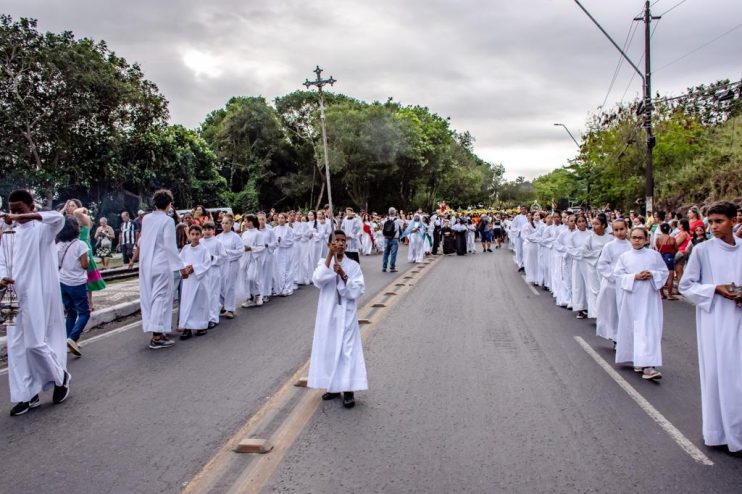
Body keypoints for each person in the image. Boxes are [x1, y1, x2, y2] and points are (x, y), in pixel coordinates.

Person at [679, 201, 742, 453]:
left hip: (739, 315)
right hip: (716, 320)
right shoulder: (703, 250)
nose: (714, 227)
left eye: (720, 221)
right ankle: (722, 433)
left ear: (733, 220)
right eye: (711, 222)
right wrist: (715, 288)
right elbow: (686, 285)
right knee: (723, 375)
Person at [1, 190, 71, 416]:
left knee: (34, 344)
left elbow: (59, 218)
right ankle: (26, 395)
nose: (14, 215)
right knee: (15, 345)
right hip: (10, 295)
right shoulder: (8, 232)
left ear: (32, 206)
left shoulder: (43, 229)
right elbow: (2, 260)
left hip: (35, 295)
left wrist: (27, 217)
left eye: (19, 210)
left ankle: (60, 377)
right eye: (11, 210)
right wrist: (2, 278)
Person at [308, 230, 367, 409]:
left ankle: (348, 389)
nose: (340, 243)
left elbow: (357, 290)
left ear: (346, 244)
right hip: (328, 312)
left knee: (346, 350)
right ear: (329, 245)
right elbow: (318, 280)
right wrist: (329, 257)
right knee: (330, 348)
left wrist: (342, 274)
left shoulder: (353, 265)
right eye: (336, 241)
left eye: (343, 241)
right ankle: (333, 386)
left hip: (346, 312)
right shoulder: (323, 263)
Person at [138, 189, 192, 349]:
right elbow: (170, 246)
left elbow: (142, 240)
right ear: (169, 204)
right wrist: (181, 267)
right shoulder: (167, 221)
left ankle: (159, 330)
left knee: (152, 297)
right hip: (162, 264)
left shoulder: (146, 218)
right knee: (160, 299)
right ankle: (156, 337)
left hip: (147, 264)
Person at [614, 226, 669, 381]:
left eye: (640, 238)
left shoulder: (654, 256)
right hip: (632, 297)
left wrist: (652, 274)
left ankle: (649, 365)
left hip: (649, 297)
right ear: (630, 238)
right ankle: (638, 360)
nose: (636, 240)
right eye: (634, 237)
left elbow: (664, 272)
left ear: (646, 239)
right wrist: (634, 277)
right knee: (634, 328)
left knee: (648, 328)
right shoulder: (624, 257)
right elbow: (618, 275)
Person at [56, 216, 91, 357]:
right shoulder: (80, 245)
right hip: (77, 283)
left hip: (63, 282)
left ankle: (67, 339)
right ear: (76, 229)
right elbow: (85, 265)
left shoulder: (57, 246)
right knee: (85, 312)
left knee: (70, 312)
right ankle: (73, 338)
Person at [65, 200, 105, 311]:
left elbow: (78, 213)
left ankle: (89, 302)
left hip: (83, 248)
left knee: (87, 276)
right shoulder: (68, 220)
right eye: (68, 206)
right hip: (72, 249)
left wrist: (82, 209)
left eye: (72, 206)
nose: (69, 208)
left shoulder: (83, 218)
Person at [596, 219, 631, 346]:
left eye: (622, 229)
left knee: (624, 311)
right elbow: (602, 264)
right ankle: (615, 336)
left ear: (626, 228)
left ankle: (625, 336)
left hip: (627, 283)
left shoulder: (631, 245)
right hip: (612, 284)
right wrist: (613, 276)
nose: (619, 232)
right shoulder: (609, 246)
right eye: (616, 230)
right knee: (613, 311)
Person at [178, 224, 211, 339]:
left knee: (199, 304)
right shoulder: (185, 249)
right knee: (187, 304)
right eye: (193, 234)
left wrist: (195, 268)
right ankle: (187, 328)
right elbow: (180, 261)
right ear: (189, 235)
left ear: (200, 235)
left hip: (199, 280)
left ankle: (201, 326)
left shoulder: (204, 249)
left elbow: (207, 264)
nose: (195, 237)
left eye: (197, 234)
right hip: (188, 281)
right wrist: (184, 269)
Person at [200, 221, 225, 328]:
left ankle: (213, 318)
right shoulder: (200, 242)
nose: (207, 232)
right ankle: (204, 317)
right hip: (202, 272)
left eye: (209, 229)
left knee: (213, 294)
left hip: (213, 271)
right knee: (204, 295)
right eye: (205, 229)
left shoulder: (217, 242)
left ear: (213, 231)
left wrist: (213, 258)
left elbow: (223, 257)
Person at [216, 215, 242, 319]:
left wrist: (227, 252)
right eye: (223, 223)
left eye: (227, 223)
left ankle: (230, 309)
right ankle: (224, 304)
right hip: (221, 265)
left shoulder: (235, 237)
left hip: (232, 263)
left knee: (230, 286)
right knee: (220, 286)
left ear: (231, 224)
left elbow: (240, 251)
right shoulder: (218, 237)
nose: (224, 225)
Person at [568, 215, 592, 319]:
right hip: (577, 262)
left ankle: (590, 307)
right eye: (579, 221)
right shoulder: (573, 236)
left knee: (589, 284)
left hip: (588, 262)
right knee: (578, 285)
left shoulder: (591, 234)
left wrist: (587, 254)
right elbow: (570, 249)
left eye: (583, 221)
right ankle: (580, 308)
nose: (581, 223)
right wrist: (580, 253)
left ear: (586, 222)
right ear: (576, 223)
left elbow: (592, 248)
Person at [239, 215, 265, 307]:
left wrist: (251, 248)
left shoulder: (258, 234)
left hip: (254, 258)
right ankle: (249, 297)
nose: (244, 223)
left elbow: (262, 247)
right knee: (245, 278)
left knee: (252, 277)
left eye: (246, 221)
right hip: (244, 258)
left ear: (251, 222)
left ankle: (258, 295)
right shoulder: (245, 234)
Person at [272, 213, 295, 296]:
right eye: (279, 218)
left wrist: (281, 242)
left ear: (285, 219)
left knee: (287, 270)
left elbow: (291, 241)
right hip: (277, 252)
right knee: (278, 270)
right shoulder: (274, 229)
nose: (280, 219)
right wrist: (276, 242)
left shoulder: (289, 229)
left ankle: (287, 288)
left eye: (282, 218)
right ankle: (278, 288)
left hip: (286, 252)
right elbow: (272, 241)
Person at [655, 222, 678, 300]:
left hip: (661, 257)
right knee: (670, 276)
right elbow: (676, 249)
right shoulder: (672, 238)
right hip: (669, 258)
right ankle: (669, 294)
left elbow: (657, 248)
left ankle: (661, 294)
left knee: (661, 275)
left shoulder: (658, 238)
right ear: (669, 229)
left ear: (661, 230)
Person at [381, 207, 404, 272]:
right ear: (395, 213)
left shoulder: (385, 219)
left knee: (385, 253)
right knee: (393, 254)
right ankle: (392, 267)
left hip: (386, 238)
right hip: (394, 239)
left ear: (389, 212)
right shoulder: (398, 220)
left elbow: (381, 226)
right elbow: (403, 226)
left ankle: (384, 267)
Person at [511, 206, 529, 271]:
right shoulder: (517, 217)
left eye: (524, 209)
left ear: (526, 210)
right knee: (519, 250)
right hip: (519, 236)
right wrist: (519, 231)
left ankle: (525, 263)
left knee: (526, 250)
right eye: (522, 209)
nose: (523, 210)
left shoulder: (528, 217)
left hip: (527, 237)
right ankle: (520, 264)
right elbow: (513, 226)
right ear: (520, 210)